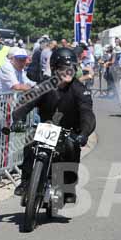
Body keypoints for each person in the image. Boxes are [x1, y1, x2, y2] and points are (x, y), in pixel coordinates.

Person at [11, 48, 95, 204]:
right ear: (55, 68)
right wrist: (18, 119)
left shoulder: (80, 90)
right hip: (47, 128)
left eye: (71, 68)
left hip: (69, 131)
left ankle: (68, 187)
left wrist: (84, 133)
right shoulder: (45, 85)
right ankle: (26, 181)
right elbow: (25, 102)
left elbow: (87, 114)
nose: (68, 72)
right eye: (63, 68)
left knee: (71, 147)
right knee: (30, 141)